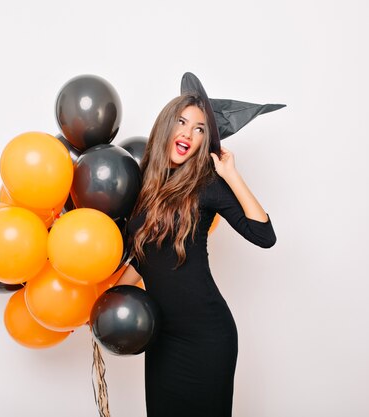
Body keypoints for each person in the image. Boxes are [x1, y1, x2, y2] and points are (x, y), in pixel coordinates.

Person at [115, 73, 279, 417]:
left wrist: (231, 174)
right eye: (182, 121)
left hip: (208, 337)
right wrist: (106, 303)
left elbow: (264, 236)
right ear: (166, 126)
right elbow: (145, 259)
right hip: (161, 337)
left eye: (200, 129)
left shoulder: (207, 185)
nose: (188, 134)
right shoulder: (145, 185)